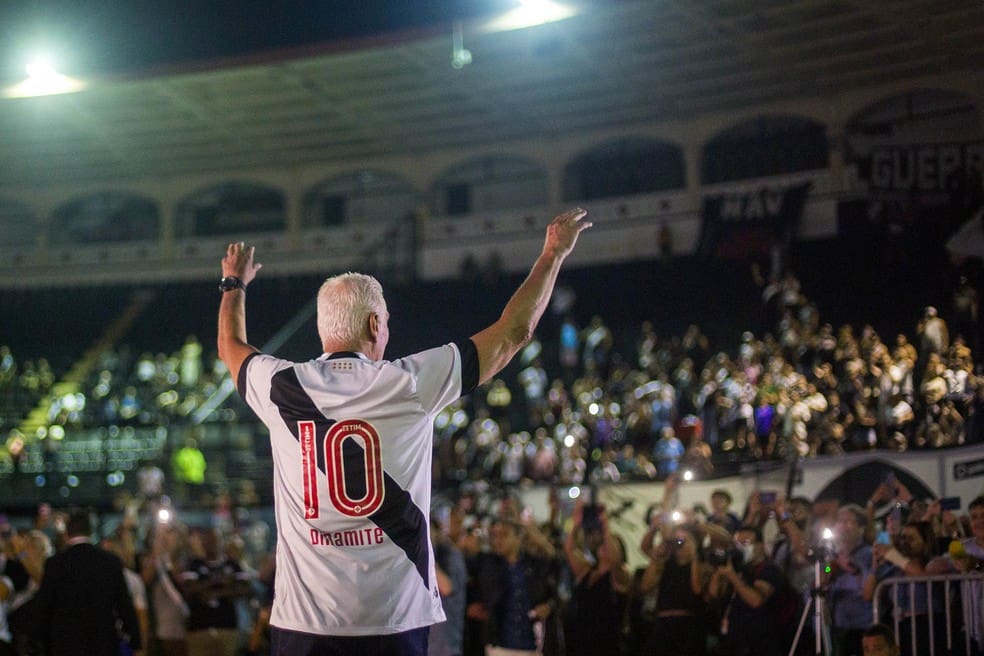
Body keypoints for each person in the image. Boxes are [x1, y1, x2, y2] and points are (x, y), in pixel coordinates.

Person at [217, 208, 591, 656]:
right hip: (394, 621)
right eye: (387, 321)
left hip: (304, 626)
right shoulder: (409, 383)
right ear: (374, 324)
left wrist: (233, 284)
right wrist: (552, 254)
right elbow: (514, 332)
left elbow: (230, 346)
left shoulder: (281, 386)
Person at [33, 509, 142, 656]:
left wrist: (41, 644)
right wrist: (136, 643)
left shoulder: (55, 564)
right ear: (91, 532)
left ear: (67, 533)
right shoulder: (110, 562)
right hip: (103, 644)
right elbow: (124, 605)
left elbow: (44, 607)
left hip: (66, 645)